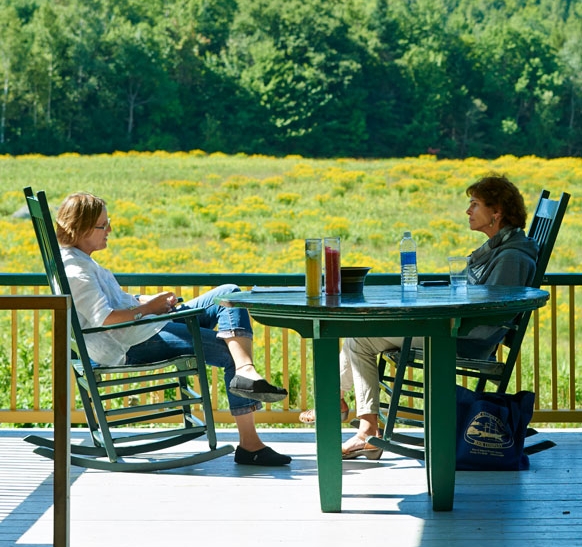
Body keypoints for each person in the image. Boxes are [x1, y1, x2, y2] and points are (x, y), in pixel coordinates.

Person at [304, 175, 539, 459]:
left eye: (475, 204)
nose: (468, 211)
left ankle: (360, 424)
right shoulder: (500, 250)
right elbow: (479, 300)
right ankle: (352, 415)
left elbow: (491, 314)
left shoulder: (511, 257)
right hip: (455, 329)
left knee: (360, 339)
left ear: (497, 212)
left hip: (462, 338)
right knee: (360, 339)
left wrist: (442, 309)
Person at [56, 191, 291, 467]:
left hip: (145, 326)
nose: (110, 230)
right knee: (230, 352)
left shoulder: (82, 260)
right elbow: (105, 318)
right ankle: (250, 444)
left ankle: (245, 371)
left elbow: (111, 302)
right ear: (81, 228)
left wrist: (145, 301)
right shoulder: (76, 270)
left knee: (229, 293)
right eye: (103, 225)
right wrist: (149, 309)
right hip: (131, 342)